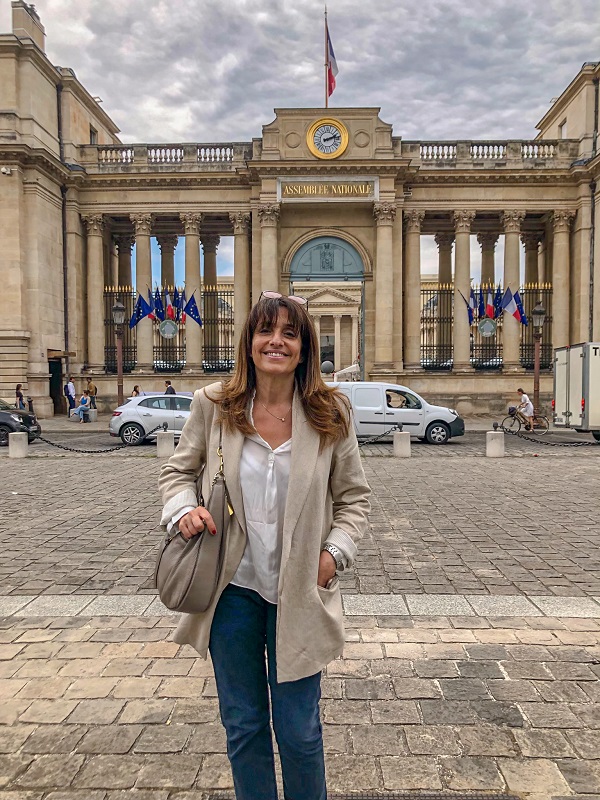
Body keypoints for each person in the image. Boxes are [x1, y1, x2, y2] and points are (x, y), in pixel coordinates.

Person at [159, 293, 371, 800]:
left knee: (300, 732)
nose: (276, 341)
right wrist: (184, 509)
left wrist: (332, 556)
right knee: (244, 726)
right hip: (232, 590)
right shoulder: (213, 404)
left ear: (303, 349)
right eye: (266, 331)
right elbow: (177, 472)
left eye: (289, 334)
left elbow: (355, 498)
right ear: (249, 343)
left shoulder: (329, 411)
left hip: (299, 590)